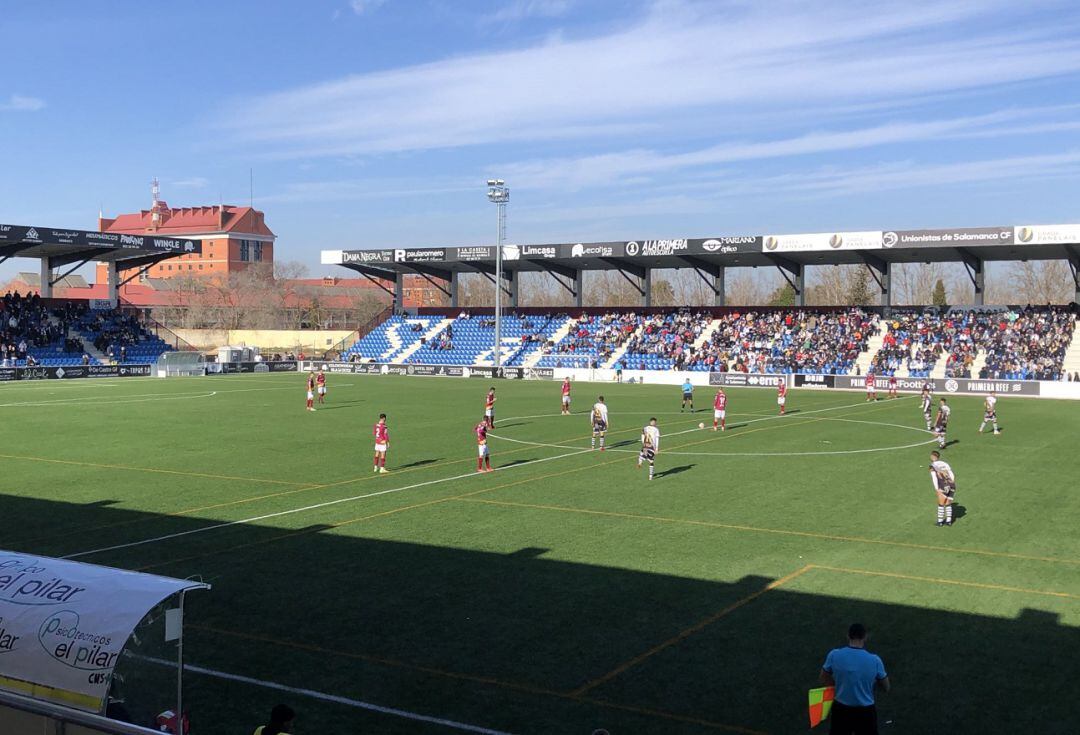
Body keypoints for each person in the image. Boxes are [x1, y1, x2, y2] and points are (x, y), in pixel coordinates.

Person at [819, 623, 889, 734]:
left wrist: (838, 685)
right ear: (865, 637)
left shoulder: (834, 655)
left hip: (841, 709)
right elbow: (886, 687)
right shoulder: (875, 660)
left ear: (848, 635)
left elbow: (823, 677)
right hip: (865, 711)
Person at [929, 449, 957, 526]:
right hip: (951, 485)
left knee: (941, 504)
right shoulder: (945, 463)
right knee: (948, 503)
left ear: (933, 457)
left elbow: (934, 477)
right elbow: (951, 474)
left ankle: (940, 521)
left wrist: (937, 488)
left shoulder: (932, 466)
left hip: (942, 485)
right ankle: (949, 521)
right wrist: (952, 483)